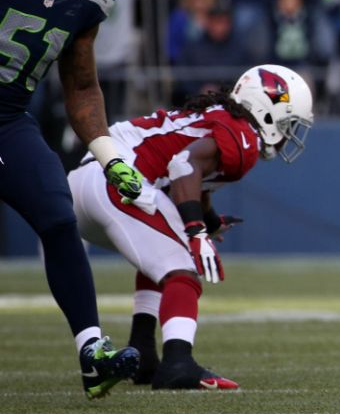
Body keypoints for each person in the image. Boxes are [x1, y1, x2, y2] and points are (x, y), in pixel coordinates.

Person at [68, 66, 314, 389]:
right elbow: (184, 165)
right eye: (288, 123)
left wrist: (208, 221)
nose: (288, 133)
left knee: (162, 257)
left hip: (86, 182)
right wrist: (196, 231)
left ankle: (142, 351)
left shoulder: (224, 119)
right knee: (183, 267)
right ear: (268, 113)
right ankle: (178, 362)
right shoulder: (244, 137)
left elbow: (189, 179)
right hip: (118, 181)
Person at [4, 0, 147, 397]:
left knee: (59, 217)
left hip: (7, 120)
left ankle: (92, 352)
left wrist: (111, 156)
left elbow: (82, 88)